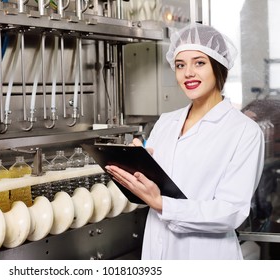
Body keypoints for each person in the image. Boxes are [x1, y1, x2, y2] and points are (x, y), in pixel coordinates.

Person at [105, 23, 265, 259]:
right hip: (156, 249)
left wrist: (162, 204)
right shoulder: (166, 122)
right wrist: (137, 169)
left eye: (199, 62)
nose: (188, 73)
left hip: (206, 255)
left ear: (219, 67)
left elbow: (231, 212)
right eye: (180, 65)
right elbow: (156, 188)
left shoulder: (244, 132)